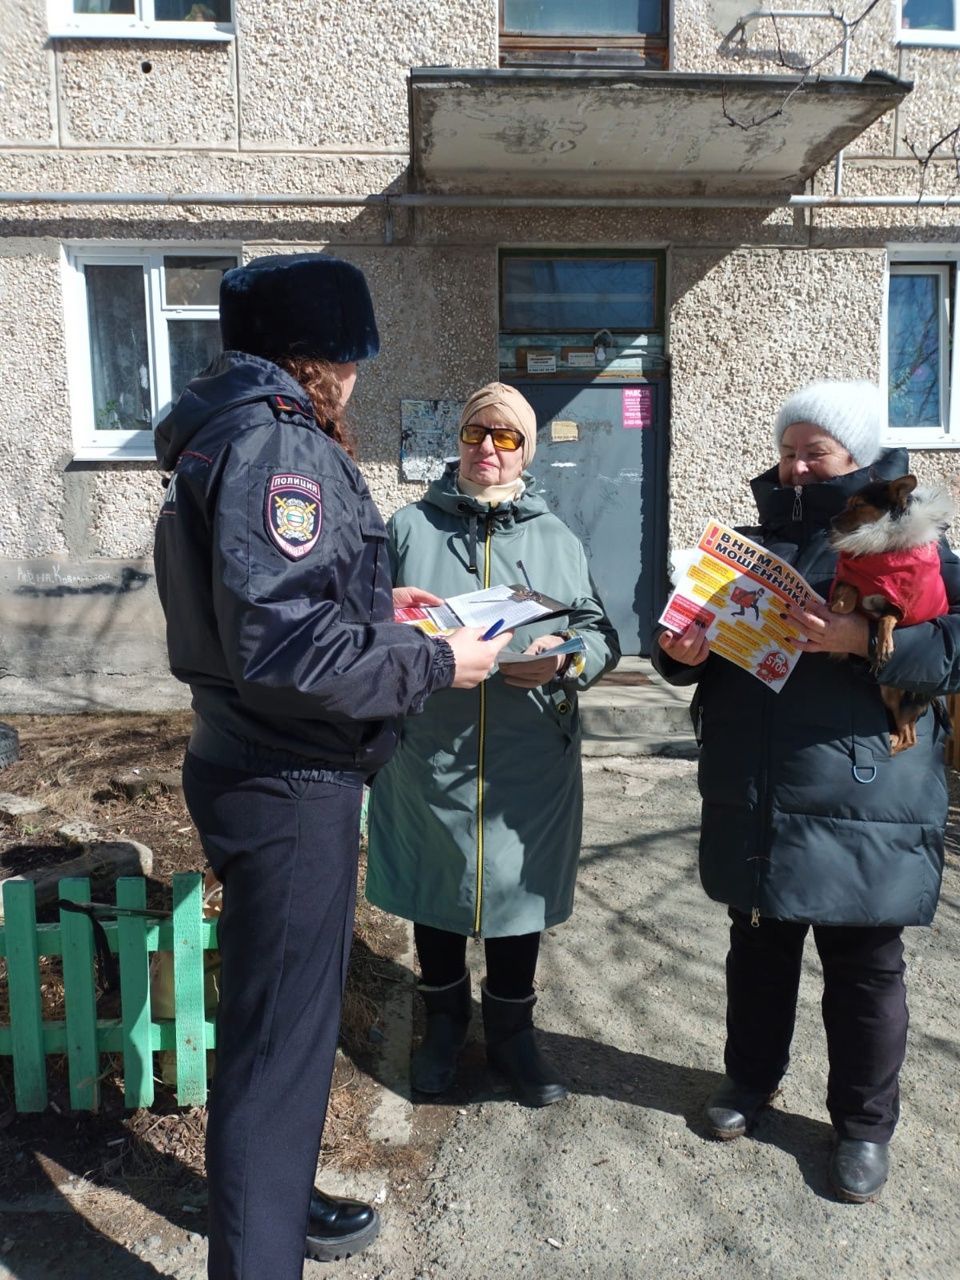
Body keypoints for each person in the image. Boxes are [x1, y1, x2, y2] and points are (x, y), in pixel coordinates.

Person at [152, 254, 511, 1280]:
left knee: (285, 1035)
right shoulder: (279, 446)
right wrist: (441, 655)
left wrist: (377, 616)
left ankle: (275, 1201)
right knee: (274, 1048)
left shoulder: (239, 432)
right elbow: (286, 650)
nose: (360, 376)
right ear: (325, 357)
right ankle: (258, 1254)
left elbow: (279, 617)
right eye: (354, 356)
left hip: (263, 762)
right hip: (288, 780)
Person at [652, 379, 960, 1203]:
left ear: (857, 459)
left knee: (863, 965)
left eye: (813, 453)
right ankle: (750, 1083)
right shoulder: (749, 546)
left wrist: (869, 640)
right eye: (787, 451)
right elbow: (698, 646)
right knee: (757, 950)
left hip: (867, 791)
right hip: (756, 789)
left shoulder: (911, 541)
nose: (793, 468)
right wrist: (679, 652)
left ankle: (862, 1126)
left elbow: (954, 645)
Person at [365, 382, 620, 1106]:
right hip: (430, 753)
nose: (489, 448)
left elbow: (600, 632)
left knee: (517, 898)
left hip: (527, 757)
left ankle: (512, 1035)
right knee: (435, 889)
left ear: (524, 451)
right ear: (460, 439)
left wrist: (566, 659)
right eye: (479, 431)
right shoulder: (408, 527)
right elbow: (363, 621)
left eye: (507, 437)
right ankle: (443, 1026)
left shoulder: (557, 536)